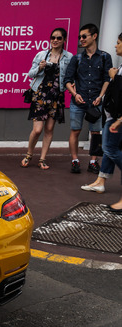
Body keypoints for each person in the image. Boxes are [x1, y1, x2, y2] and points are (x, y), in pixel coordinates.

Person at [64, 23, 113, 174]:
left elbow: (107, 79)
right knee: (75, 131)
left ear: (94, 36)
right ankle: (75, 161)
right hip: (78, 102)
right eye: (80, 37)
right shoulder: (77, 58)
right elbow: (67, 79)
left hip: (96, 102)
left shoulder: (105, 57)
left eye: (84, 36)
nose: (81, 39)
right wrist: (75, 94)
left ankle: (93, 162)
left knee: (96, 133)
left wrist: (100, 96)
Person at [21, 28, 73, 170]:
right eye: (53, 37)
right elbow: (30, 74)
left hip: (57, 96)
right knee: (37, 130)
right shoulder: (41, 54)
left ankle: (42, 159)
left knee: (49, 129)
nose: (55, 40)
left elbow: (70, 75)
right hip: (40, 94)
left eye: (59, 38)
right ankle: (28, 155)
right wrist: (39, 67)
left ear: (64, 40)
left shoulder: (68, 57)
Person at [81, 32, 122, 207]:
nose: (116, 46)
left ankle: (101, 182)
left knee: (110, 149)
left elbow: (120, 93)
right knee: (108, 149)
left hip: (117, 117)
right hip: (112, 115)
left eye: (119, 42)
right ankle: (100, 182)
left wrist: (114, 78)